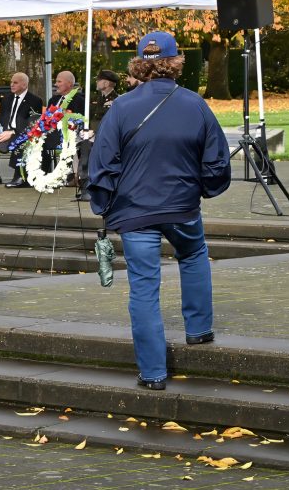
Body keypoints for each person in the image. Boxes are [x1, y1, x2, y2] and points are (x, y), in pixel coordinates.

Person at [88, 31, 230, 391]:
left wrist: (104, 205)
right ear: (176, 62)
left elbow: (102, 165)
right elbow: (216, 160)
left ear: (138, 64)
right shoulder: (195, 105)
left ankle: (152, 373)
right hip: (182, 206)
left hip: (135, 212)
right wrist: (203, 188)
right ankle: (198, 329)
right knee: (194, 254)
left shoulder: (120, 107)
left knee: (144, 287)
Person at [0, 73, 43, 187]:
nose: (11, 85)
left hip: (21, 134)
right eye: (11, 82)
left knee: (20, 141)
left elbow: (32, 124)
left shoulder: (35, 101)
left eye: (15, 83)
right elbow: (0, 119)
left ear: (24, 84)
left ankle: (20, 177)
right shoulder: (7, 99)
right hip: (4, 133)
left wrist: (13, 132)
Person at [77, 70, 121, 199]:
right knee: (84, 158)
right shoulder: (95, 99)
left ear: (106, 83)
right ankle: (85, 187)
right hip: (91, 136)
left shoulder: (116, 100)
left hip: (105, 137)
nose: (96, 82)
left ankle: (96, 188)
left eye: (99, 80)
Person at [43, 71, 85, 174]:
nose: (56, 84)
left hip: (68, 134)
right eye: (56, 81)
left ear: (69, 84)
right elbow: (46, 118)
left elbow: (78, 122)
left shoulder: (79, 100)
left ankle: (67, 174)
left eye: (59, 81)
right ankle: (42, 173)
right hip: (50, 133)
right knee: (35, 139)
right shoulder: (53, 100)